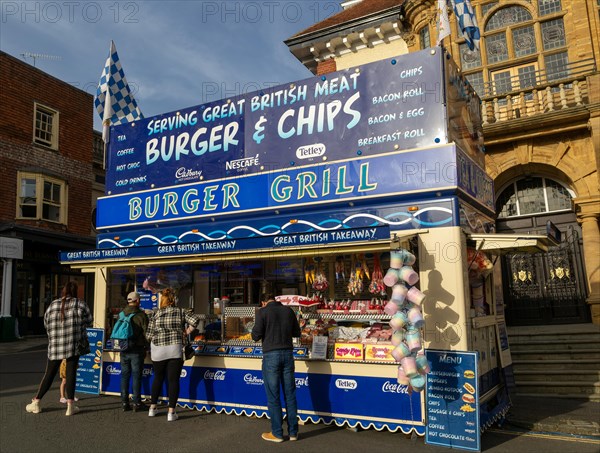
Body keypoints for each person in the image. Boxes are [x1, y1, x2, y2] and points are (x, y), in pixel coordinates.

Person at [26, 281, 92, 416]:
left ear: (63, 291)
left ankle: (36, 402)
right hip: (74, 344)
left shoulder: (53, 305)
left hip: (55, 345)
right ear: (75, 292)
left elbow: (45, 323)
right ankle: (70, 406)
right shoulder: (80, 304)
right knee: (71, 373)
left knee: (49, 373)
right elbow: (89, 320)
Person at [251, 293, 301, 442]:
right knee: (290, 395)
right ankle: (293, 433)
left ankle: (277, 433)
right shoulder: (288, 311)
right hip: (287, 354)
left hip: (271, 356)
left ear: (263, 302)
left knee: (273, 396)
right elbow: (297, 333)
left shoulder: (263, 312)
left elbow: (255, 336)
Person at [146, 287, 200, 421]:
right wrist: (186, 331)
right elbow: (196, 320)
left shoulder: (155, 313)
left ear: (163, 300)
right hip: (175, 348)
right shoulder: (181, 311)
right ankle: (171, 412)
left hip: (158, 349)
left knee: (158, 378)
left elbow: (148, 334)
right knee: (173, 380)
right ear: (174, 300)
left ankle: (152, 408)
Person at [119, 291, 149, 412]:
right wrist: (147, 346)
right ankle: (137, 403)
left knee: (125, 375)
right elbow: (147, 333)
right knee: (136, 376)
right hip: (137, 349)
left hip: (124, 348)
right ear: (137, 301)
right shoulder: (141, 315)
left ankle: (124, 402)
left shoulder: (122, 314)